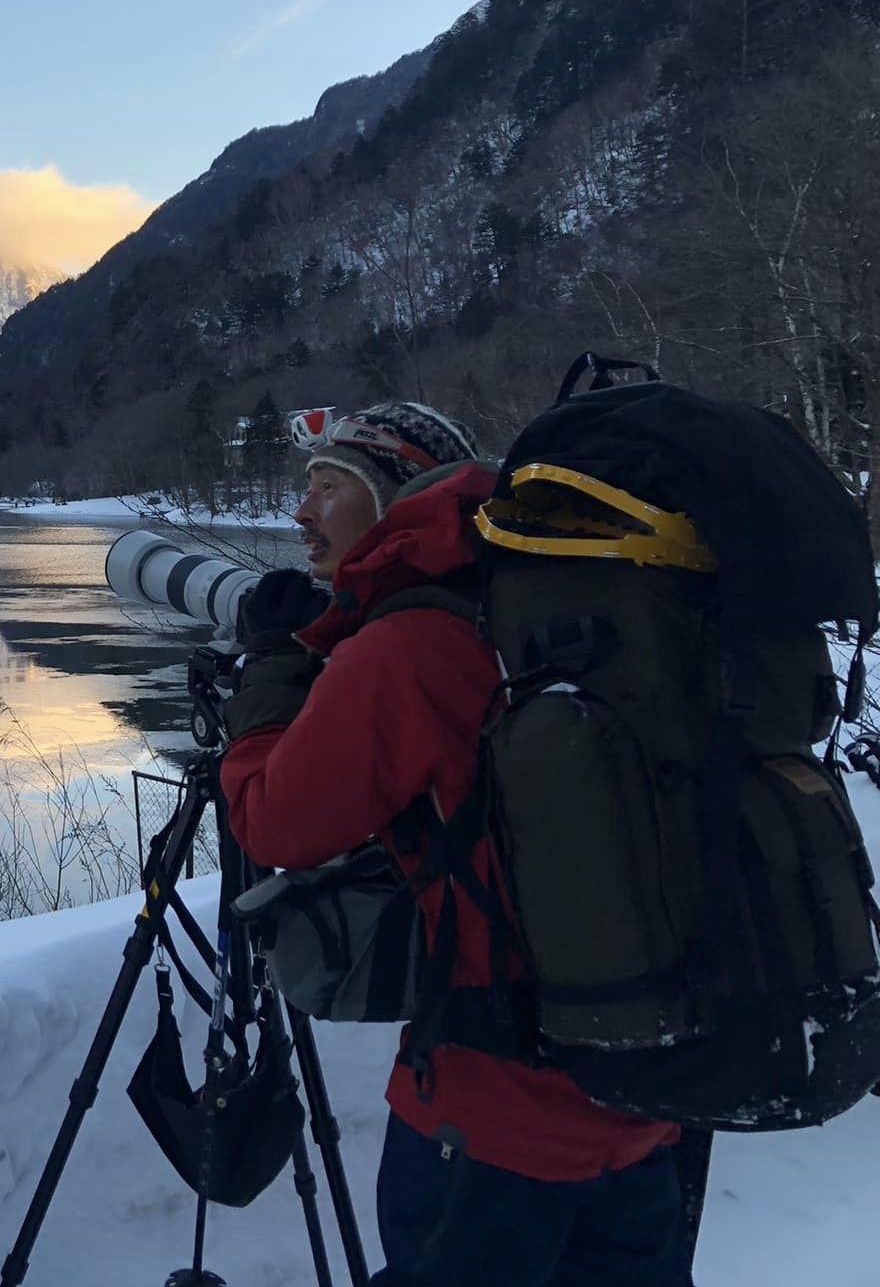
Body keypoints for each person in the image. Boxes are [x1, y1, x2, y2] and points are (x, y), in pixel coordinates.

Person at [217, 401, 692, 1287]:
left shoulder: (407, 646)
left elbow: (274, 825)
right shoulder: (559, 621)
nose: (301, 511)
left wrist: (270, 680)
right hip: (645, 1084)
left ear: (394, 502)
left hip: (489, 1111)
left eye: (327, 487)